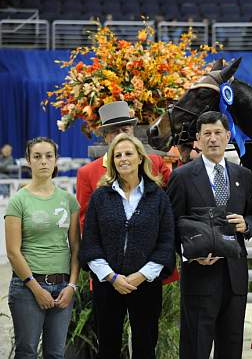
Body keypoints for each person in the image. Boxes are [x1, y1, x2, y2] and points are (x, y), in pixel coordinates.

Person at [167, 111, 252, 359]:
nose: (213, 139)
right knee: (196, 348)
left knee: (231, 348)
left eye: (218, 133)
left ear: (228, 136)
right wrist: (189, 254)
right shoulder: (182, 177)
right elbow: (171, 225)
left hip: (235, 278)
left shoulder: (244, 176)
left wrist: (246, 224)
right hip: (199, 277)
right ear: (197, 139)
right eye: (206, 133)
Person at [79, 133, 175, 359]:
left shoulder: (158, 197)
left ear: (140, 158)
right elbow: (91, 241)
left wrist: (140, 275)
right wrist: (112, 277)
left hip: (146, 284)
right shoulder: (101, 196)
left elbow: (166, 242)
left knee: (145, 346)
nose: (123, 158)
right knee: (108, 348)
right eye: (117, 155)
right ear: (112, 161)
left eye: (128, 153)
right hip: (107, 284)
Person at [4, 137, 80, 358]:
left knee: (56, 354)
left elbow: (76, 247)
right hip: (28, 288)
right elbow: (12, 251)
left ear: (56, 160)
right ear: (28, 161)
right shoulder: (19, 200)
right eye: (37, 156)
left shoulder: (68, 199)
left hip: (63, 288)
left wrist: (72, 286)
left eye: (49, 156)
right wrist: (36, 289)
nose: (44, 161)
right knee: (27, 352)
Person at [76, 101, 171, 229]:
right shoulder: (87, 173)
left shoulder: (155, 162)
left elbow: (173, 201)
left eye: (125, 129)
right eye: (115, 132)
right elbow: (85, 221)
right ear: (105, 137)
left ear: (133, 131)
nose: (121, 135)